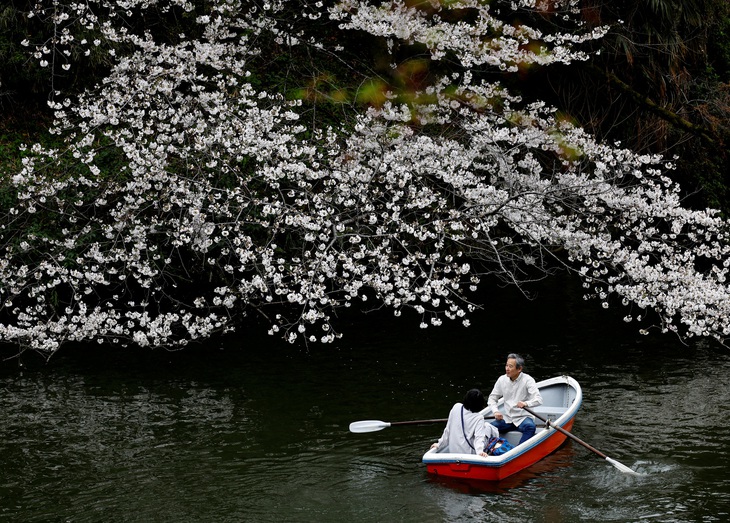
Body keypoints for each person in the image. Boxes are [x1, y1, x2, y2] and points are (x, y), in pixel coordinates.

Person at [487, 353, 543, 445]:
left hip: (523, 418)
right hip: (508, 418)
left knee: (530, 427)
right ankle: (492, 448)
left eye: (510, 366)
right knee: (489, 427)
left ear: (519, 369)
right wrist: (495, 411)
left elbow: (539, 399)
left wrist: (526, 403)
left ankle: (518, 451)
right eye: (506, 365)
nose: (507, 369)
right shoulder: (502, 380)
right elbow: (492, 398)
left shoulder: (528, 380)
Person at [430, 389, 498, 456]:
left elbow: (448, 429)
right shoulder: (478, 417)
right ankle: (494, 447)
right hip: (469, 453)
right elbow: (479, 437)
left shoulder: (456, 407)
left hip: (453, 451)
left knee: (487, 427)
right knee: (489, 427)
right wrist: (480, 452)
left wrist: (440, 444)